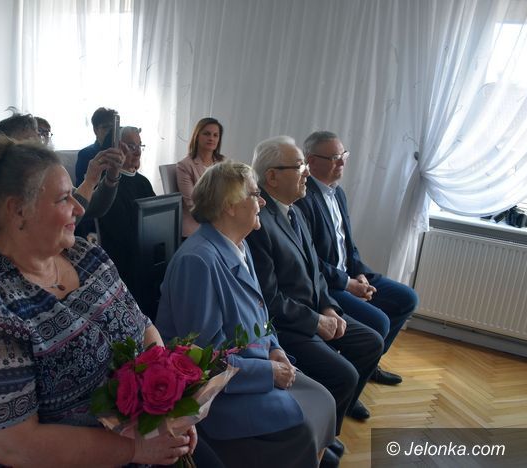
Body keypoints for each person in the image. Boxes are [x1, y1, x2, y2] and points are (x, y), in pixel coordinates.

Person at [0, 137, 197, 467]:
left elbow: (143, 326)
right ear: (18, 211)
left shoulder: (85, 255)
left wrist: (167, 411)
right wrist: (136, 450)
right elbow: (17, 446)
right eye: (64, 198)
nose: (80, 207)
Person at [156, 160, 336, 468]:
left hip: (253, 368)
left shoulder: (239, 245)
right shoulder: (197, 262)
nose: (262, 201)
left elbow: (260, 312)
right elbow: (203, 361)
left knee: (324, 400)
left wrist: (275, 349)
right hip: (221, 395)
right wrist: (268, 371)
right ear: (229, 205)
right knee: (303, 427)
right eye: (255, 194)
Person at [246, 136, 383, 442]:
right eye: (299, 166)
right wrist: (316, 321)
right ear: (272, 176)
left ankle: (330, 423)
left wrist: (329, 308)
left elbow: (316, 272)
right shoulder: (259, 222)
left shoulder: (293, 209)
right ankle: (320, 442)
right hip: (288, 325)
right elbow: (269, 298)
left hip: (314, 310)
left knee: (371, 342)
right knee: (344, 375)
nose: (306, 172)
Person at [296, 131, 418, 386]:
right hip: (327, 284)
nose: (342, 162)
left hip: (349, 274)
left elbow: (347, 244)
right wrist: (348, 283)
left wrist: (360, 273)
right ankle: (352, 380)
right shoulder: (302, 198)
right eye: (334, 158)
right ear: (311, 161)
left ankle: (368, 364)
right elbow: (310, 260)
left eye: (344, 155)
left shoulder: (338, 193)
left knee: (407, 298)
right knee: (379, 323)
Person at [0, 113, 122, 224]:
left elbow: (95, 206)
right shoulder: (4, 185)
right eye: (31, 142)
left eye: (40, 136)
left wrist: (111, 176)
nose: (41, 144)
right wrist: (89, 181)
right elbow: (57, 222)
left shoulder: (45, 173)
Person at [96, 127, 155, 313]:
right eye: (131, 146)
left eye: (139, 146)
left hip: (147, 251)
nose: (137, 152)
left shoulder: (143, 182)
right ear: (117, 149)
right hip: (125, 261)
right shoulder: (109, 186)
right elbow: (120, 234)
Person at [176, 117, 226, 238]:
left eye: (215, 135)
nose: (211, 138)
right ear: (197, 136)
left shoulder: (223, 163)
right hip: (196, 227)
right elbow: (193, 204)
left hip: (221, 224)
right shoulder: (185, 165)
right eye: (207, 134)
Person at [75, 107, 118, 185]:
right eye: (106, 127)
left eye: (113, 127)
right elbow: (81, 187)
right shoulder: (85, 154)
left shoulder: (121, 152)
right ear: (95, 130)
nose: (110, 131)